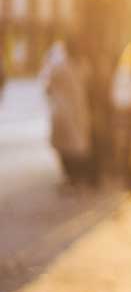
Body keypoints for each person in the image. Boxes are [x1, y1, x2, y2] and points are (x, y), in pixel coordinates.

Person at [40, 36, 93, 185]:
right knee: (75, 145)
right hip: (76, 109)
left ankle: (71, 177)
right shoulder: (82, 64)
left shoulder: (59, 66)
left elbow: (47, 86)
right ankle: (74, 177)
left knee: (66, 146)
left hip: (63, 110)